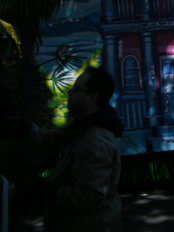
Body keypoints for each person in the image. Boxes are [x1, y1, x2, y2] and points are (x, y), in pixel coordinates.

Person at [18, 67, 124, 231]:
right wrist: (22, 127)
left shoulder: (96, 141)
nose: (70, 93)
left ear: (92, 98)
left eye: (76, 89)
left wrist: (50, 193)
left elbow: (90, 196)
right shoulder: (81, 127)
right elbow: (50, 144)